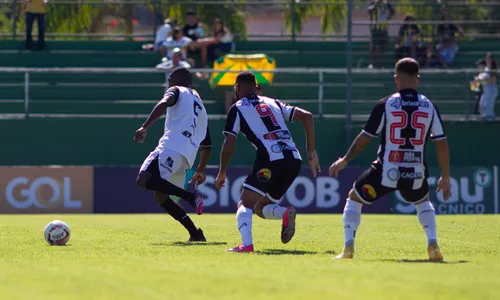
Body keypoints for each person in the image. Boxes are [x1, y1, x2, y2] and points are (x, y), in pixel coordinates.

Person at [329, 58, 451, 261]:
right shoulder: (429, 106)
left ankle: (348, 248)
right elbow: (441, 143)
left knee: (354, 197)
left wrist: (345, 160)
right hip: (416, 172)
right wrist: (445, 177)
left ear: (396, 79)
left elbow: (364, 139)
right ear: (417, 79)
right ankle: (433, 244)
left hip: (386, 169)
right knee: (422, 201)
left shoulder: (386, 104)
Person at [215, 72, 321, 253]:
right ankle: (284, 212)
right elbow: (307, 116)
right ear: (256, 87)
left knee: (245, 204)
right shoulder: (274, 102)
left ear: (237, 88)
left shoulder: (237, 108)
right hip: (294, 159)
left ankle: (246, 245)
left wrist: (222, 171)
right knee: (260, 207)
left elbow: (229, 141)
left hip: (270, 159)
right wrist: (311, 153)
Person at [134, 67, 211, 242]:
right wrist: (200, 169)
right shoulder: (200, 105)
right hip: (187, 157)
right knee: (161, 195)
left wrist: (145, 127)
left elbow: (163, 103)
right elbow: (207, 144)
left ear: (178, 79)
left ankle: (189, 196)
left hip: (171, 146)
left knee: (143, 179)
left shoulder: (176, 90)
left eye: (170, 79)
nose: (168, 82)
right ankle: (196, 234)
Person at [368, 0, 394, 68]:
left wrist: (387, 18)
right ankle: (371, 64)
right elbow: (369, 10)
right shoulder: (373, 3)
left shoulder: (386, 4)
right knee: (373, 47)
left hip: (383, 29)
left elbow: (392, 11)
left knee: (381, 48)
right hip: (374, 29)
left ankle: (379, 65)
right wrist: (377, 3)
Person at [478, 53, 498, 121]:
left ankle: (490, 118)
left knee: (488, 105)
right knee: (482, 104)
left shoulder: (493, 68)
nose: (487, 60)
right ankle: (484, 116)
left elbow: (493, 80)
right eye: (487, 59)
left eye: (489, 59)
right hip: (485, 89)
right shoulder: (486, 68)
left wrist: (483, 80)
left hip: (491, 89)